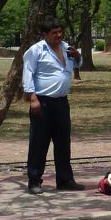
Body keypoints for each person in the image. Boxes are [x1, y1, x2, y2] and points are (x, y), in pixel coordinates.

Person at [21, 19, 85, 195]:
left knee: (63, 142)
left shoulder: (66, 47)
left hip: (61, 102)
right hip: (42, 102)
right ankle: (34, 180)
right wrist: (33, 98)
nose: (59, 35)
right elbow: (28, 74)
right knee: (39, 143)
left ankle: (65, 180)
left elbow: (75, 64)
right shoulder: (35, 51)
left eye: (60, 31)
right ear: (44, 34)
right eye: (54, 32)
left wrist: (78, 57)